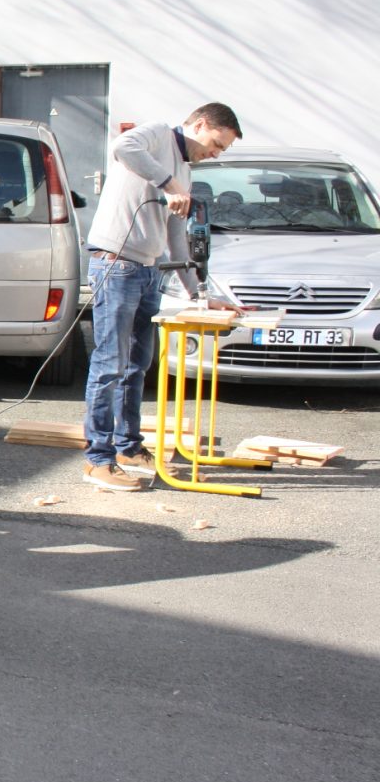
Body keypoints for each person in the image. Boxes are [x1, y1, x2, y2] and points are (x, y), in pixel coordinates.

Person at [82, 102, 242, 492]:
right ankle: (97, 461)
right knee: (109, 364)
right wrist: (169, 184)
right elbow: (122, 147)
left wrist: (199, 293)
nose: (215, 154)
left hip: (148, 271)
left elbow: (175, 237)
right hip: (116, 266)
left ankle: (127, 448)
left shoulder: (184, 171)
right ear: (200, 124)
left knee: (137, 365)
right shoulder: (157, 135)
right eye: (216, 144)